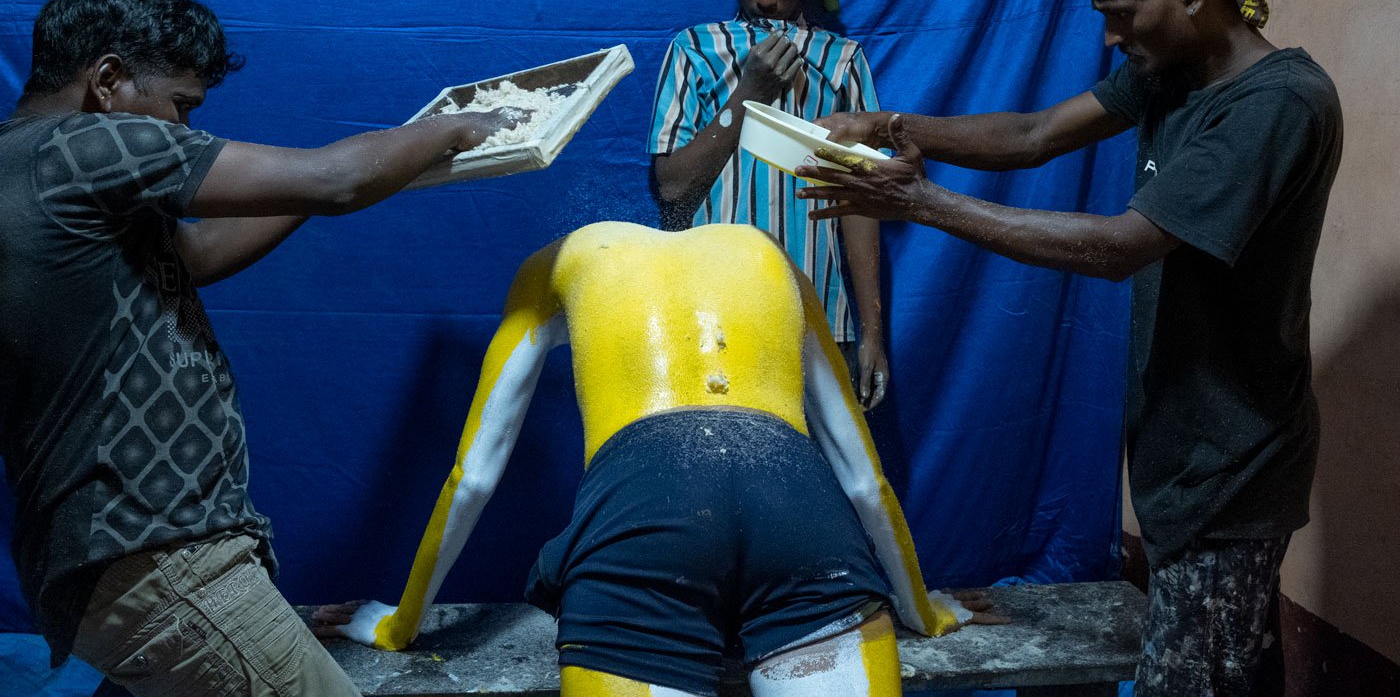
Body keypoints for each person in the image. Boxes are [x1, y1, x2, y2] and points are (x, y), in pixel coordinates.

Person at [795, 0, 1343, 696]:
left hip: (1233, 467)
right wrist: (894, 126)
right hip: (1181, 455)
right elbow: (1035, 133)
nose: (1110, 37)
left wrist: (918, 200)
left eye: (1121, 12)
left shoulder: (1277, 106)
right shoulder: (1176, 72)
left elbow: (1124, 247)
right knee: (1231, 670)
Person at [0, 0, 526, 696]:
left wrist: (367, 169)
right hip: (163, 561)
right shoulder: (82, 144)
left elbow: (199, 254)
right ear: (108, 80)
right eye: (181, 105)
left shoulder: (28, 169)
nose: (187, 128)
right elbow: (334, 179)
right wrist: (456, 127)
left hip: (117, 570)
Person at [314, 221, 999, 696]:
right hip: (798, 501)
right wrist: (923, 609)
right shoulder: (769, 255)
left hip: (646, 507)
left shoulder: (558, 262)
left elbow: (472, 478)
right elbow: (864, 479)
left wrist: (401, 621)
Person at [647, 0, 891, 408]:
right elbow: (671, 188)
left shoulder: (841, 61)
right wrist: (749, 92)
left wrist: (872, 332)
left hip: (822, 320)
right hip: (711, 317)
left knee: (821, 477)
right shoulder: (694, 50)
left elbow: (865, 201)